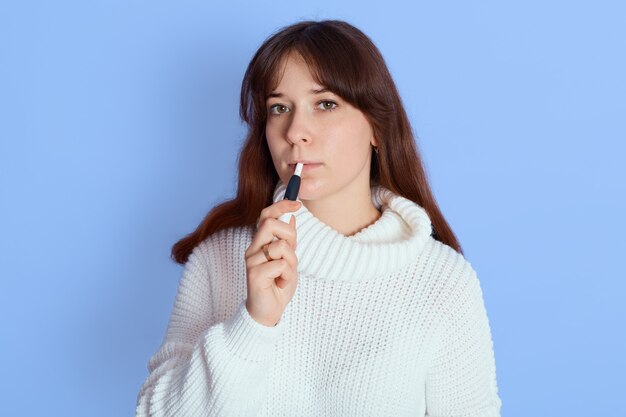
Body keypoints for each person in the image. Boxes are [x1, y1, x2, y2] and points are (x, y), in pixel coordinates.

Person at [135, 19, 502, 417]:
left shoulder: (442, 281)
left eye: (325, 104)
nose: (295, 132)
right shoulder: (219, 259)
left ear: (377, 127)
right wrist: (254, 324)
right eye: (279, 108)